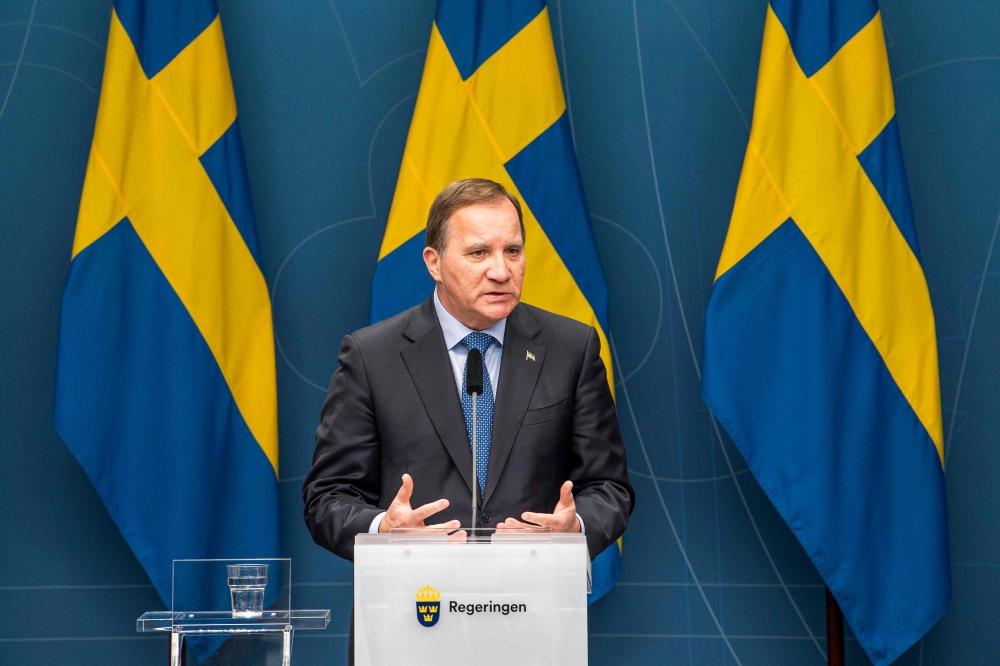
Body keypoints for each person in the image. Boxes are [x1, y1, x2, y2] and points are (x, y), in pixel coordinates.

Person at [303, 176, 633, 564]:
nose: (501, 271)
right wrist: (383, 529)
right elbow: (327, 497)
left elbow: (610, 487)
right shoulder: (372, 356)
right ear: (434, 263)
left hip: (532, 603)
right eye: (478, 253)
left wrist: (575, 526)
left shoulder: (571, 348)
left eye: (513, 250)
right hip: (413, 602)